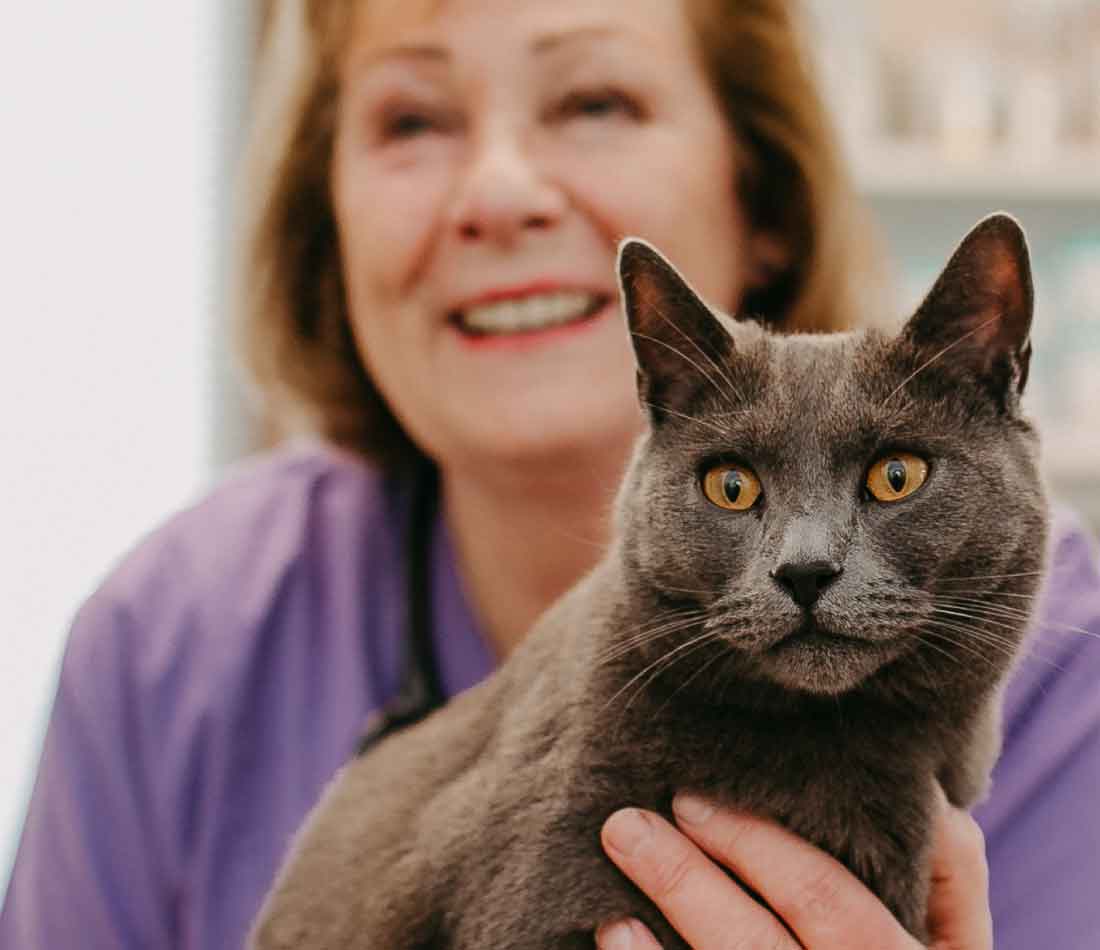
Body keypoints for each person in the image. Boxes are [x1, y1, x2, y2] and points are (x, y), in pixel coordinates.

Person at [3, 0, 1098, 947]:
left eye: (592, 103)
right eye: (412, 120)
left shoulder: (1070, 670)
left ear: (758, 186)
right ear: (322, 214)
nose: (500, 191)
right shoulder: (172, 638)